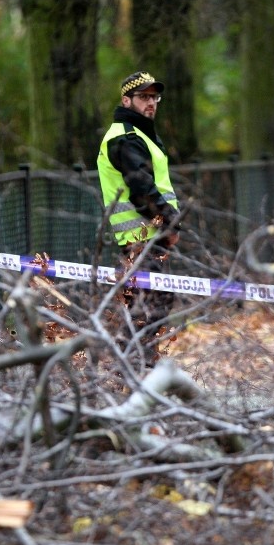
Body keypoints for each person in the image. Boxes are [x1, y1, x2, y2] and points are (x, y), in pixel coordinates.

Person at [97, 71, 181, 365]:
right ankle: (133, 373)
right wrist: (169, 224)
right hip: (141, 240)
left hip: (147, 240)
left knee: (151, 309)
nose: (151, 103)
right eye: (143, 97)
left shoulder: (139, 134)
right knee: (148, 311)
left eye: (154, 97)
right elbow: (143, 191)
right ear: (126, 100)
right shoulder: (126, 138)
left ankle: (137, 371)